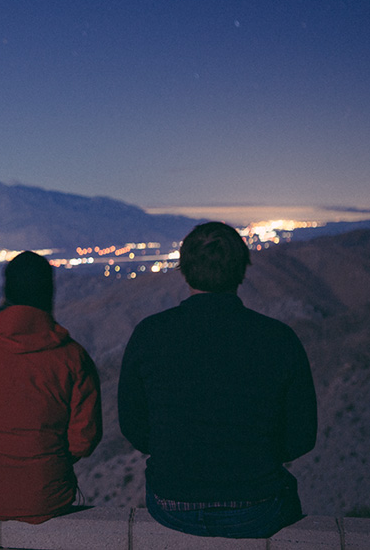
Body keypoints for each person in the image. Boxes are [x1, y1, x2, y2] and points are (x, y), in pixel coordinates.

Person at [118, 221, 317, 538]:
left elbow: (133, 424)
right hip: (256, 508)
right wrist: (253, 456)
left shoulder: (149, 334)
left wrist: (178, 451)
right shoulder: (278, 339)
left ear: (184, 269)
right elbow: (302, 436)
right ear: (241, 270)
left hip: (171, 504)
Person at [0, 251, 103, 524]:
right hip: (49, 495)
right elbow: (84, 438)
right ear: (49, 292)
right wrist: (50, 459)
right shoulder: (73, 357)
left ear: (6, 291)